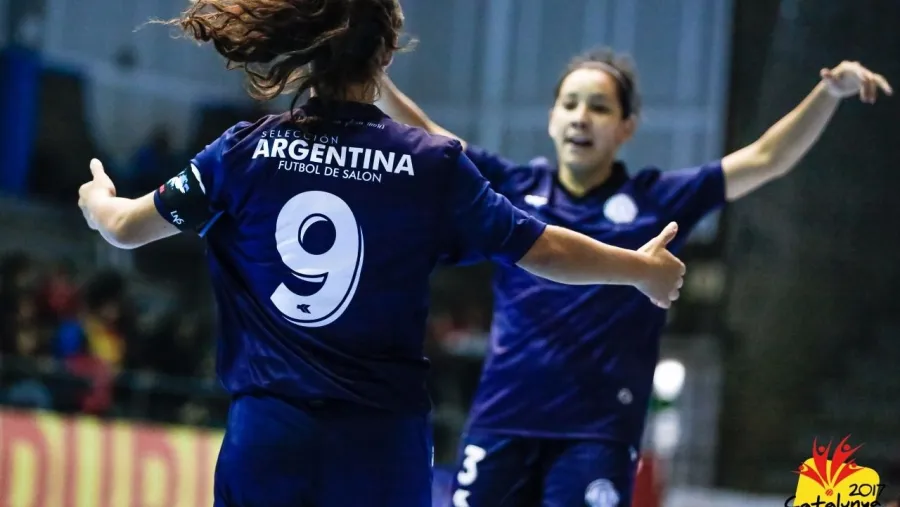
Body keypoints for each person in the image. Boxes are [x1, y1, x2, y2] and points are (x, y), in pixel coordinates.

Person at [75, 2, 689, 506]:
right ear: (387, 55)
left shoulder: (244, 150)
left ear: (309, 49)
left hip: (269, 432)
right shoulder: (431, 165)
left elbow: (128, 228)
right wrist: (639, 269)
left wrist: (99, 200)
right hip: (383, 443)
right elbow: (541, 248)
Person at [377, 48, 891, 507]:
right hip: (501, 420)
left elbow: (766, 158)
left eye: (599, 107)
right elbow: (429, 138)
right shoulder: (513, 185)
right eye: (571, 104)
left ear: (627, 126)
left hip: (595, 436)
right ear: (553, 118)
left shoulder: (658, 200)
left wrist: (828, 92)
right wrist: (371, 73)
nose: (582, 117)